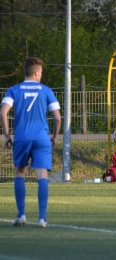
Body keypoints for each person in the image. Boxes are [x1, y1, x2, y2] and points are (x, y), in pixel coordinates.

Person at [0, 57, 61, 227]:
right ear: (35, 73)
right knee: (42, 175)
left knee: (20, 173)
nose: (41, 75)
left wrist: (7, 135)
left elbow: (3, 112)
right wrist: (55, 137)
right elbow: (57, 118)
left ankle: (21, 216)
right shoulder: (46, 90)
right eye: (41, 72)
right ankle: (42, 218)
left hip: (21, 137)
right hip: (42, 138)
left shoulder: (13, 90)